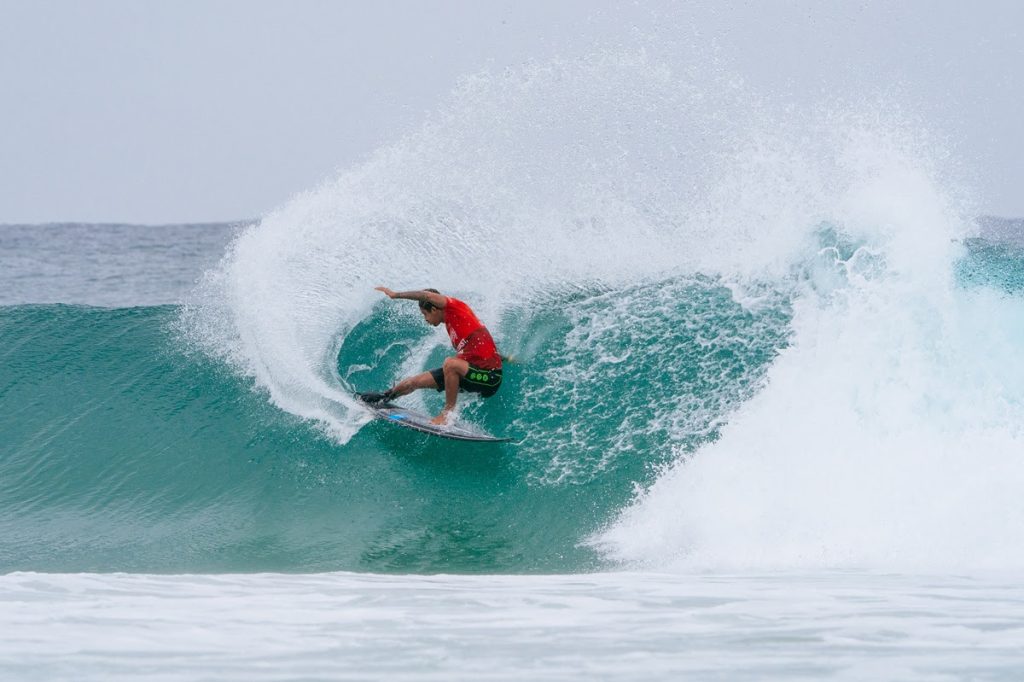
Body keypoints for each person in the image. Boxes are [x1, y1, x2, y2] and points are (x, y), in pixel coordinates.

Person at [358, 287, 503, 425]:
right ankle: (384, 397)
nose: (425, 319)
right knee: (412, 382)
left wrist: (396, 295)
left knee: (450, 364)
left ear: (434, 308)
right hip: (472, 374)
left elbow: (427, 296)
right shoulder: (451, 326)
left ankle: (447, 415)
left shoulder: (456, 308)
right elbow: (478, 348)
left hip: (489, 378)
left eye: (425, 314)